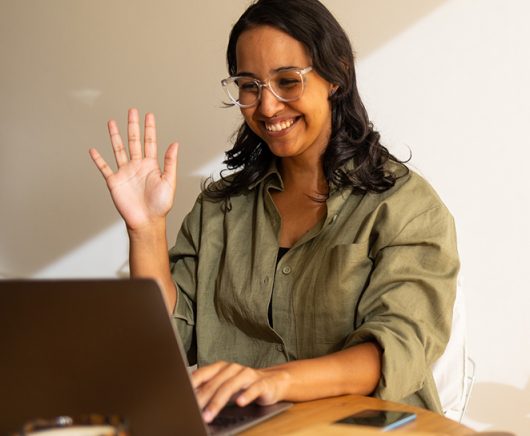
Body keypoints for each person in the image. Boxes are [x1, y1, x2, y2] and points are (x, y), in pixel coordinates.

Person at [90, 0, 459, 422]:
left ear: (336, 75)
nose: (267, 107)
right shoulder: (220, 209)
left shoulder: (405, 207)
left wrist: (272, 381)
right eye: (250, 86)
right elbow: (167, 342)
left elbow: (396, 349)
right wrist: (147, 229)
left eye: (287, 81)